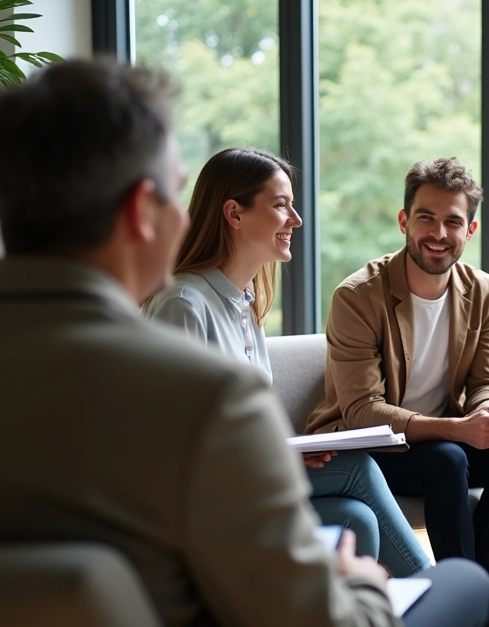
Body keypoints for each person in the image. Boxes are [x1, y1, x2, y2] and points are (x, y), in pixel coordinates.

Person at [0, 59, 489, 627]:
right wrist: (361, 588)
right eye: (172, 191)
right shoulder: (202, 392)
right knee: (463, 584)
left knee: (354, 525)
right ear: (142, 210)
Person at [143, 147, 430, 577]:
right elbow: (171, 442)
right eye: (281, 206)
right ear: (234, 214)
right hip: (202, 500)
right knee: (357, 469)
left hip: (244, 480)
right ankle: (445, 597)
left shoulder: (243, 303)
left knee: (357, 520)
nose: (295, 219)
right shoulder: (183, 304)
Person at [306, 157, 489, 627]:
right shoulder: (357, 296)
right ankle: (470, 611)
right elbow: (359, 410)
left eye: (453, 221)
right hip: (371, 447)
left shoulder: (484, 290)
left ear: (469, 230)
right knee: (447, 459)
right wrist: (459, 429)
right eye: (426, 217)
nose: (438, 232)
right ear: (404, 221)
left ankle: (472, 598)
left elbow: (488, 380)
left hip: (445, 440)